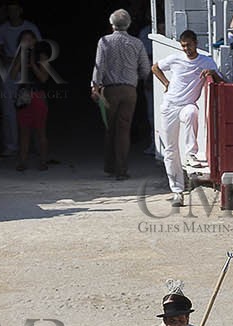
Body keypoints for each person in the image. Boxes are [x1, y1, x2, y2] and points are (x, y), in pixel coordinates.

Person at [153, 30, 221, 207]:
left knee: (192, 112)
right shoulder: (175, 58)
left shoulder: (206, 60)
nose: (187, 49)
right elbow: (155, 67)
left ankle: (191, 153)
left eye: (189, 45)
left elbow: (221, 80)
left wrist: (210, 73)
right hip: (169, 106)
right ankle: (177, 191)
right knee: (170, 150)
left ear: (196, 43)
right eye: (183, 46)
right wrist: (166, 83)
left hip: (187, 104)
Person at [92, 9, 145, 179]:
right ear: (129, 24)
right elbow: (145, 68)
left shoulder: (104, 42)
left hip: (110, 90)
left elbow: (99, 66)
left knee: (110, 129)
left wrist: (95, 86)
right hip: (129, 90)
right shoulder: (137, 43)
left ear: (112, 24)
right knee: (124, 130)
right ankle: (122, 170)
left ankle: (110, 166)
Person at [0, 2, 41, 159]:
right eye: (10, 10)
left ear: (20, 10)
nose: (12, 13)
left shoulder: (30, 27)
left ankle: (32, 146)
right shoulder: (2, 29)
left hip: (28, 74)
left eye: (15, 9)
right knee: (9, 112)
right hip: (9, 72)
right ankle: (11, 146)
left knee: (29, 110)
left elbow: (39, 48)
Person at [10, 30, 51, 172]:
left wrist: (33, 63)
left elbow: (44, 78)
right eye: (23, 40)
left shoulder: (42, 56)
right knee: (24, 131)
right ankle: (22, 161)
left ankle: (43, 160)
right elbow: (13, 75)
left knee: (40, 130)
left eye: (29, 40)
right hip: (23, 94)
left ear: (35, 41)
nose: (27, 42)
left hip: (37, 93)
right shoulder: (19, 56)